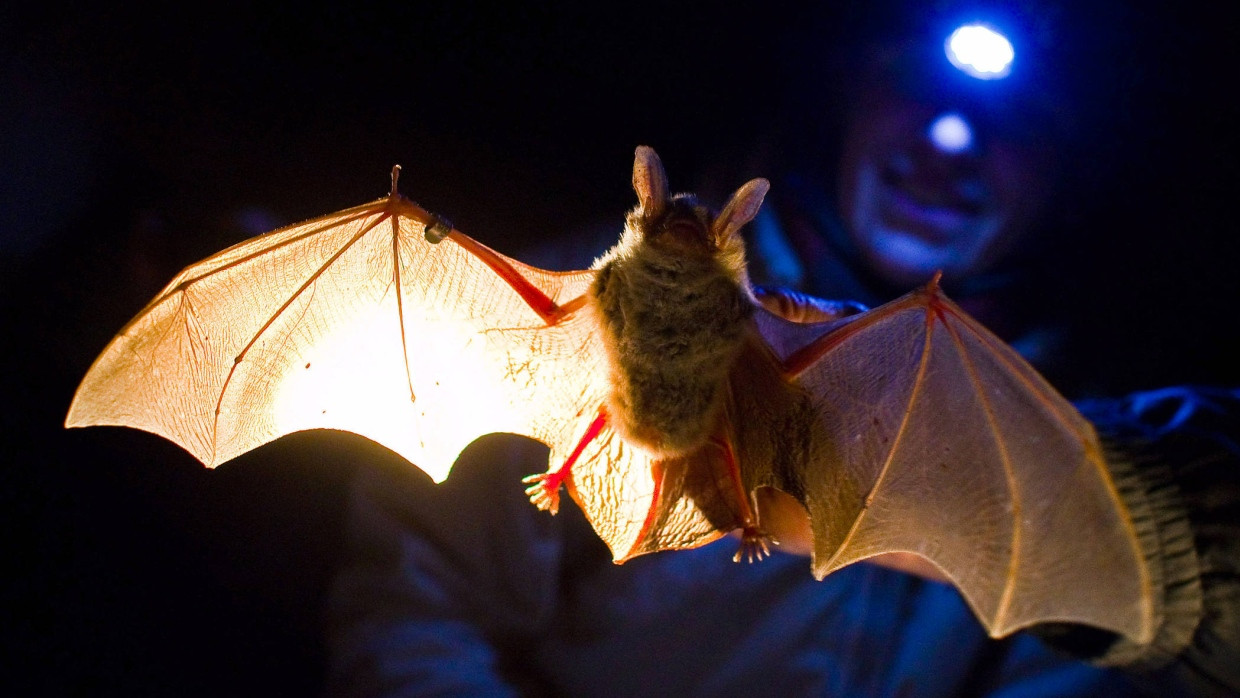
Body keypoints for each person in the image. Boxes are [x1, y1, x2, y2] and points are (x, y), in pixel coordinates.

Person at [323, 5, 1239, 696]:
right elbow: (413, 609)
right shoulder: (604, 304)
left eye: (1019, 124)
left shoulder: (1058, 407)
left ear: (1066, 171)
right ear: (848, 100)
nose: (951, 140)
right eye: (917, 91)